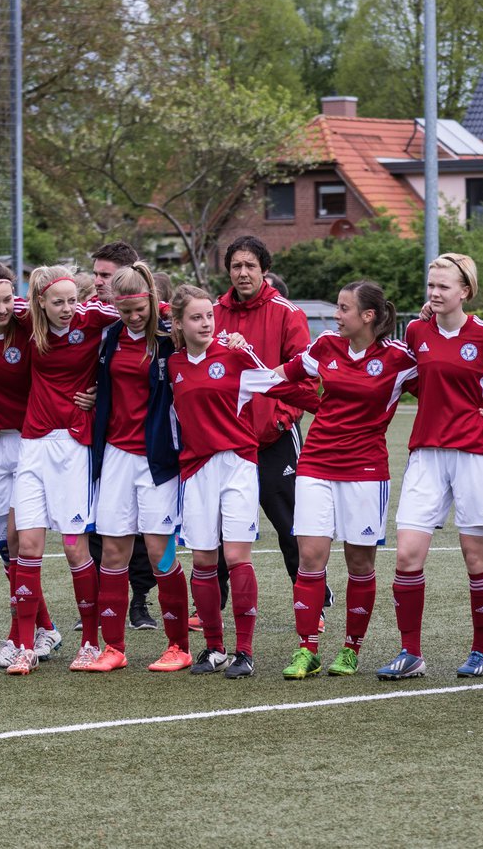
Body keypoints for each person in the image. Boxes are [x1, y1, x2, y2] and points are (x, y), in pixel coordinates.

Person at [0, 264, 122, 674]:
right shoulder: (27, 317)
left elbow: (136, 309)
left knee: (76, 547)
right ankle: (25, 645)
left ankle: (90, 642)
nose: (67, 308)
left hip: (73, 445)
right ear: (40, 302)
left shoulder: (91, 317)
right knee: (26, 546)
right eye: (58, 301)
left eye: (72, 300)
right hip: (31, 445)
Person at [166, 284, 313, 677]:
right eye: (195, 318)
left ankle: (244, 652)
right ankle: (213, 648)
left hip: (238, 466)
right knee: (202, 560)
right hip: (195, 473)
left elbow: (283, 385)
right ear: (178, 324)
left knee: (236, 557)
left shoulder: (233, 357)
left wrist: (334, 403)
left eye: (209, 316)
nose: (206, 323)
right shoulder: (172, 365)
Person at [278, 281, 417, 680]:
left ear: (367, 316)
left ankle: (351, 649)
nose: (336, 316)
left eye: (343, 309)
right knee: (310, 557)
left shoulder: (398, 359)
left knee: (360, 561)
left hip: (366, 471)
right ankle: (307, 648)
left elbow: (442, 381)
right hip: (317, 464)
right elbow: (285, 375)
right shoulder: (325, 346)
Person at [384, 253, 483, 679]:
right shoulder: (416, 330)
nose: (435, 293)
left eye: (444, 286)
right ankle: (411, 653)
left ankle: (480, 651)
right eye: (431, 285)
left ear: (465, 291)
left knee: (476, 557)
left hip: (474, 454)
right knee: (406, 555)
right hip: (426, 453)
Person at [0, 262, 68, 670]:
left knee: (21, 543)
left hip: (30, 441)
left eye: (7, 299)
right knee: (5, 549)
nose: (2, 308)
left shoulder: (28, 324)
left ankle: (15, 637)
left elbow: (41, 307)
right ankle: (45, 627)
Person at [90, 263, 192, 672]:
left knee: (158, 554)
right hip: (115, 456)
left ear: (152, 300)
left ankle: (178, 646)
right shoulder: (110, 337)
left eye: (140, 308)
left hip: (158, 461)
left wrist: (164, 308)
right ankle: (113, 648)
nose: (134, 317)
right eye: (125, 309)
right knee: (113, 551)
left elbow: (200, 326)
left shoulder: (170, 336)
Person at [213, 236, 323, 617]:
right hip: (225, 440)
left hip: (273, 437)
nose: (243, 273)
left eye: (250, 266)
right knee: (218, 526)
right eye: (236, 266)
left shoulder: (286, 313)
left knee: (290, 523)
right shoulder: (212, 312)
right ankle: (212, 604)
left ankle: (312, 602)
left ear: (263, 270)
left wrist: (281, 416)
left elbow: (307, 378)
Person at [88, 240, 159, 629]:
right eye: (96, 275)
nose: (98, 281)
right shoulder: (103, 328)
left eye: (105, 275)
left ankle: (149, 608)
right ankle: (107, 620)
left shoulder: (168, 332)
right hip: (112, 448)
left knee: (156, 542)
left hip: (156, 454)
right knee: (109, 535)